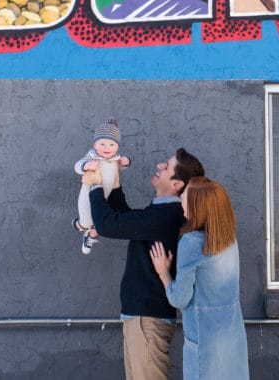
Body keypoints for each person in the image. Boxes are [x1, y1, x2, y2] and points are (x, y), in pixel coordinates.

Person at [83, 147, 205, 380]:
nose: (159, 166)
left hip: (148, 320)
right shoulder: (161, 213)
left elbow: (110, 224)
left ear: (177, 184)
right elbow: (127, 220)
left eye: (166, 167)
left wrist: (96, 185)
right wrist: (114, 183)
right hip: (142, 317)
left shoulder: (167, 215)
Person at [149, 177, 249, 380]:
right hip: (232, 337)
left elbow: (179, 298)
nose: (181, 199)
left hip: (204, 341)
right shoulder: (229, 239)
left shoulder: (191, 242)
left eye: (185, 196)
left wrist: (163, 272)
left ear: (197, 206)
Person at [72, 118, 131, 254]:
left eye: (111, 145)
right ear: (95, 146)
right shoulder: (92, 157)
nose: (107, 148)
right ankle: (79, 224)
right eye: (102, 144)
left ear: (117, 147)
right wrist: (87, 165)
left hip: (107, 196)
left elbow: (122, 167)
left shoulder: (115, 159)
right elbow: (77, 166)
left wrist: (126, 162)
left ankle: (89, 236)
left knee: (101, 222)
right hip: (89, 194)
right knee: (87, 222)